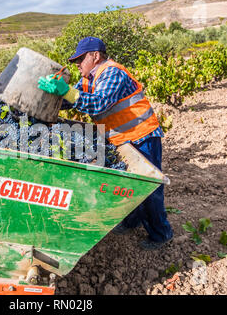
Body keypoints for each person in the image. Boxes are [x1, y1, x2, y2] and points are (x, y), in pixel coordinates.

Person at [38, 36, 173, 250]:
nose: (77, 65)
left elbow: (98, 104)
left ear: (95, 56)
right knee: (131, 185)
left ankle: (161, 234)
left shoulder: (112, 72)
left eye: (80, 59)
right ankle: (132, 221)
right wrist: (50, 94)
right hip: (121, 137)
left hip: (141, 135)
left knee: (148, 188)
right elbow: (73, 98)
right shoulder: (87, 78)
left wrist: (65, 91)